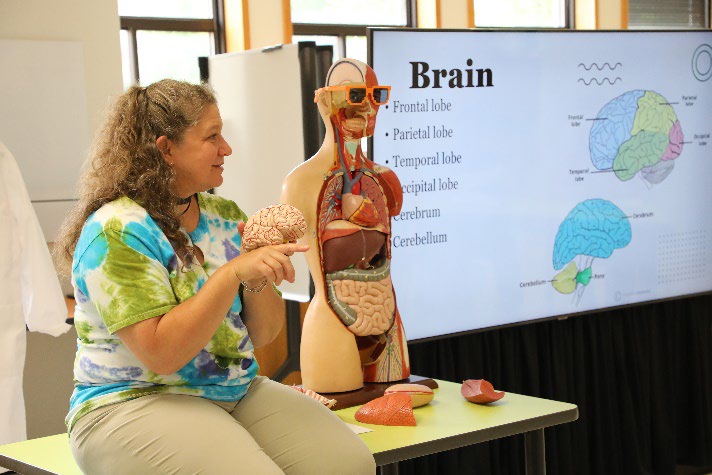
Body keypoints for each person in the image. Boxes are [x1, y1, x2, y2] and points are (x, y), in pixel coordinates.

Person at [54, 79, 375, 475]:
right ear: (166, 148)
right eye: (212, 136)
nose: (227, 149)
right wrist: (231, 274)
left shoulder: (224, 215)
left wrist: (256, 276)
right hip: (130, 401)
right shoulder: (117, 230)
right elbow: (162, 355)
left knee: (350, 464)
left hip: (232, 391)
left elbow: (265, 333)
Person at [281, 59, 410, 394]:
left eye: (376, 95)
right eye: (354, 96)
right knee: (341, 412)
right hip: (332, 315)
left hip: (385, 310)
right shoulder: (301, 183)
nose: (367, 106)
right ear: (325, 102)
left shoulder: (384, 180)